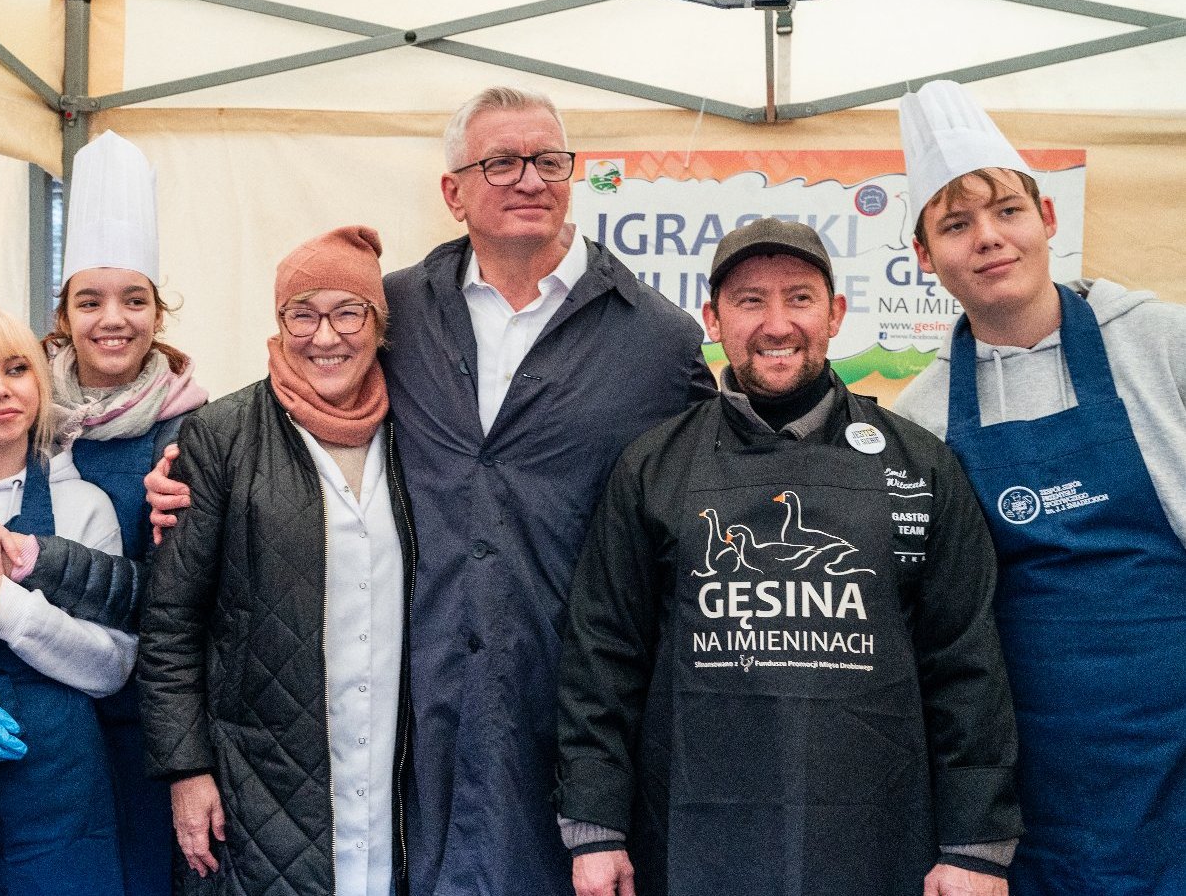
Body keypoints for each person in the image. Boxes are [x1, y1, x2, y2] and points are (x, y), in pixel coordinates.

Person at [149, 86, 715, 895]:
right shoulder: (403, 310)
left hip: (571, 721)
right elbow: (304, 385)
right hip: (414, 727)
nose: (528, 179)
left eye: (548, 160)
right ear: (453, 192)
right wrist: (180, 458)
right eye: (500, 162)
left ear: (572, 174)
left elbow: (718, 482)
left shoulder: (657, 341)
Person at [555, 218, 1022, 896]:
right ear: (713, 318)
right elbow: (602, 655)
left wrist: (977, 845)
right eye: (750, 301)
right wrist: (595, 825)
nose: (777, 323)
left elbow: (966, 663)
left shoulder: (919, 465)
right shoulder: (652, 467)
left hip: (878, 841)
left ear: (835, 314)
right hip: (690, 842)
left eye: (799, 298)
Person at [0, 130, 206, 896]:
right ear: (63, 317)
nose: (111, 318)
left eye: (134, 299)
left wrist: (18, 596)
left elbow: (146, 622)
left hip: (127, 726)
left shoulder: (190, 430)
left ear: (160, 311)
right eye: (89, 300)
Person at [892, 79, 1186, 893]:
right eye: (955, 225)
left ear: (1047, 219)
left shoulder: (1163, 345)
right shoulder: (919, 418)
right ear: (924, 256)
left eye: (1007, 212)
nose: (988, 239)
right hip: (1031, 779)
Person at [140, 225, 414, 895]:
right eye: (303, 313)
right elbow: (170, 624)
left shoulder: (419, 433)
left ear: (378, 324)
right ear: (280, 321)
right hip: (259, 776)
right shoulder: (221, 436)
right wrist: (187, 769)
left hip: (392, 774)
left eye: (348, 312)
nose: (326, 336)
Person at [0, 303, 134, 895]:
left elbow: (113, 666)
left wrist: (16, 614)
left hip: (64, 781)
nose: (0, 391)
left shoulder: (85, 505)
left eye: (17, 370)